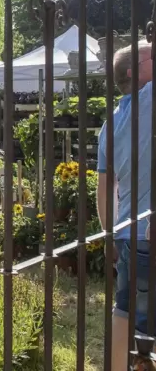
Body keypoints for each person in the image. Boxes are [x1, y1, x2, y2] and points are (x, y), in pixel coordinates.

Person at [97, 41, 153, 371]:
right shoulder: (148, 100)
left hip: (127, 233)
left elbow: (104, 186)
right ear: (134, 73)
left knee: (124, 307)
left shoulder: (110, 124)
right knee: (147, 324)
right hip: (149, 233)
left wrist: (109, 234)